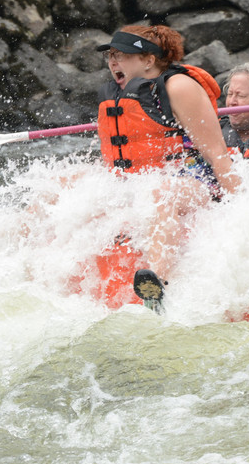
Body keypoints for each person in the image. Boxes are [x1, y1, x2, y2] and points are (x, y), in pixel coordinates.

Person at [95, 25, 240, 296]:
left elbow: (217, 153)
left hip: (195, 182)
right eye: (110, 55)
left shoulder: (179, 86)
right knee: (63, 184)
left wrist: (243, 209)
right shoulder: (117, 96)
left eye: (121, 55)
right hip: (136, 184)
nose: (113, 61)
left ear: (149, 60)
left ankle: (158, 283)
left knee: (161, 194)